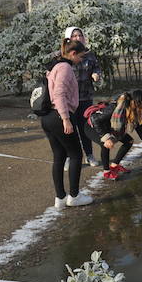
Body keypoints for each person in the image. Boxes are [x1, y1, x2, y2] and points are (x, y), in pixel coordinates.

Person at [43, 39, 94, 209]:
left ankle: (60, 198)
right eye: (80, 56)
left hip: (48, 117)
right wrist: (65, 118)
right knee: (76, 155)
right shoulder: (65, 68)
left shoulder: (55, 65)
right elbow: (59, 94)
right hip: (59, 116)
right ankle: (74, 196)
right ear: (72, 54)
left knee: (59, 156)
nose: (81, 59)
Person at [85, 89, 142, 180]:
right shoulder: (115, 108)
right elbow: (94, 119)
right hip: (93, 127)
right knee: (105, 144)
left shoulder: (134, 112)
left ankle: (114, 166)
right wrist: (106, 137)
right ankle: (107, 172)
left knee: (129, 141)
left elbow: (140, 130)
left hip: (110, 128)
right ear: (134, 102)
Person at [63, 27, 102, 166]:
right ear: (69, 38)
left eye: (80, 35)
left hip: (86, 97)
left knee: (86, 128)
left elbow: (97, 67)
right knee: (69, 129)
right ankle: (69, 156)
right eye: (74, 36)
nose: (78, 38)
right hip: (69, 100)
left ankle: (89, 155)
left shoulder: (89, 55)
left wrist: (96, 74)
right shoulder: (63, 56)